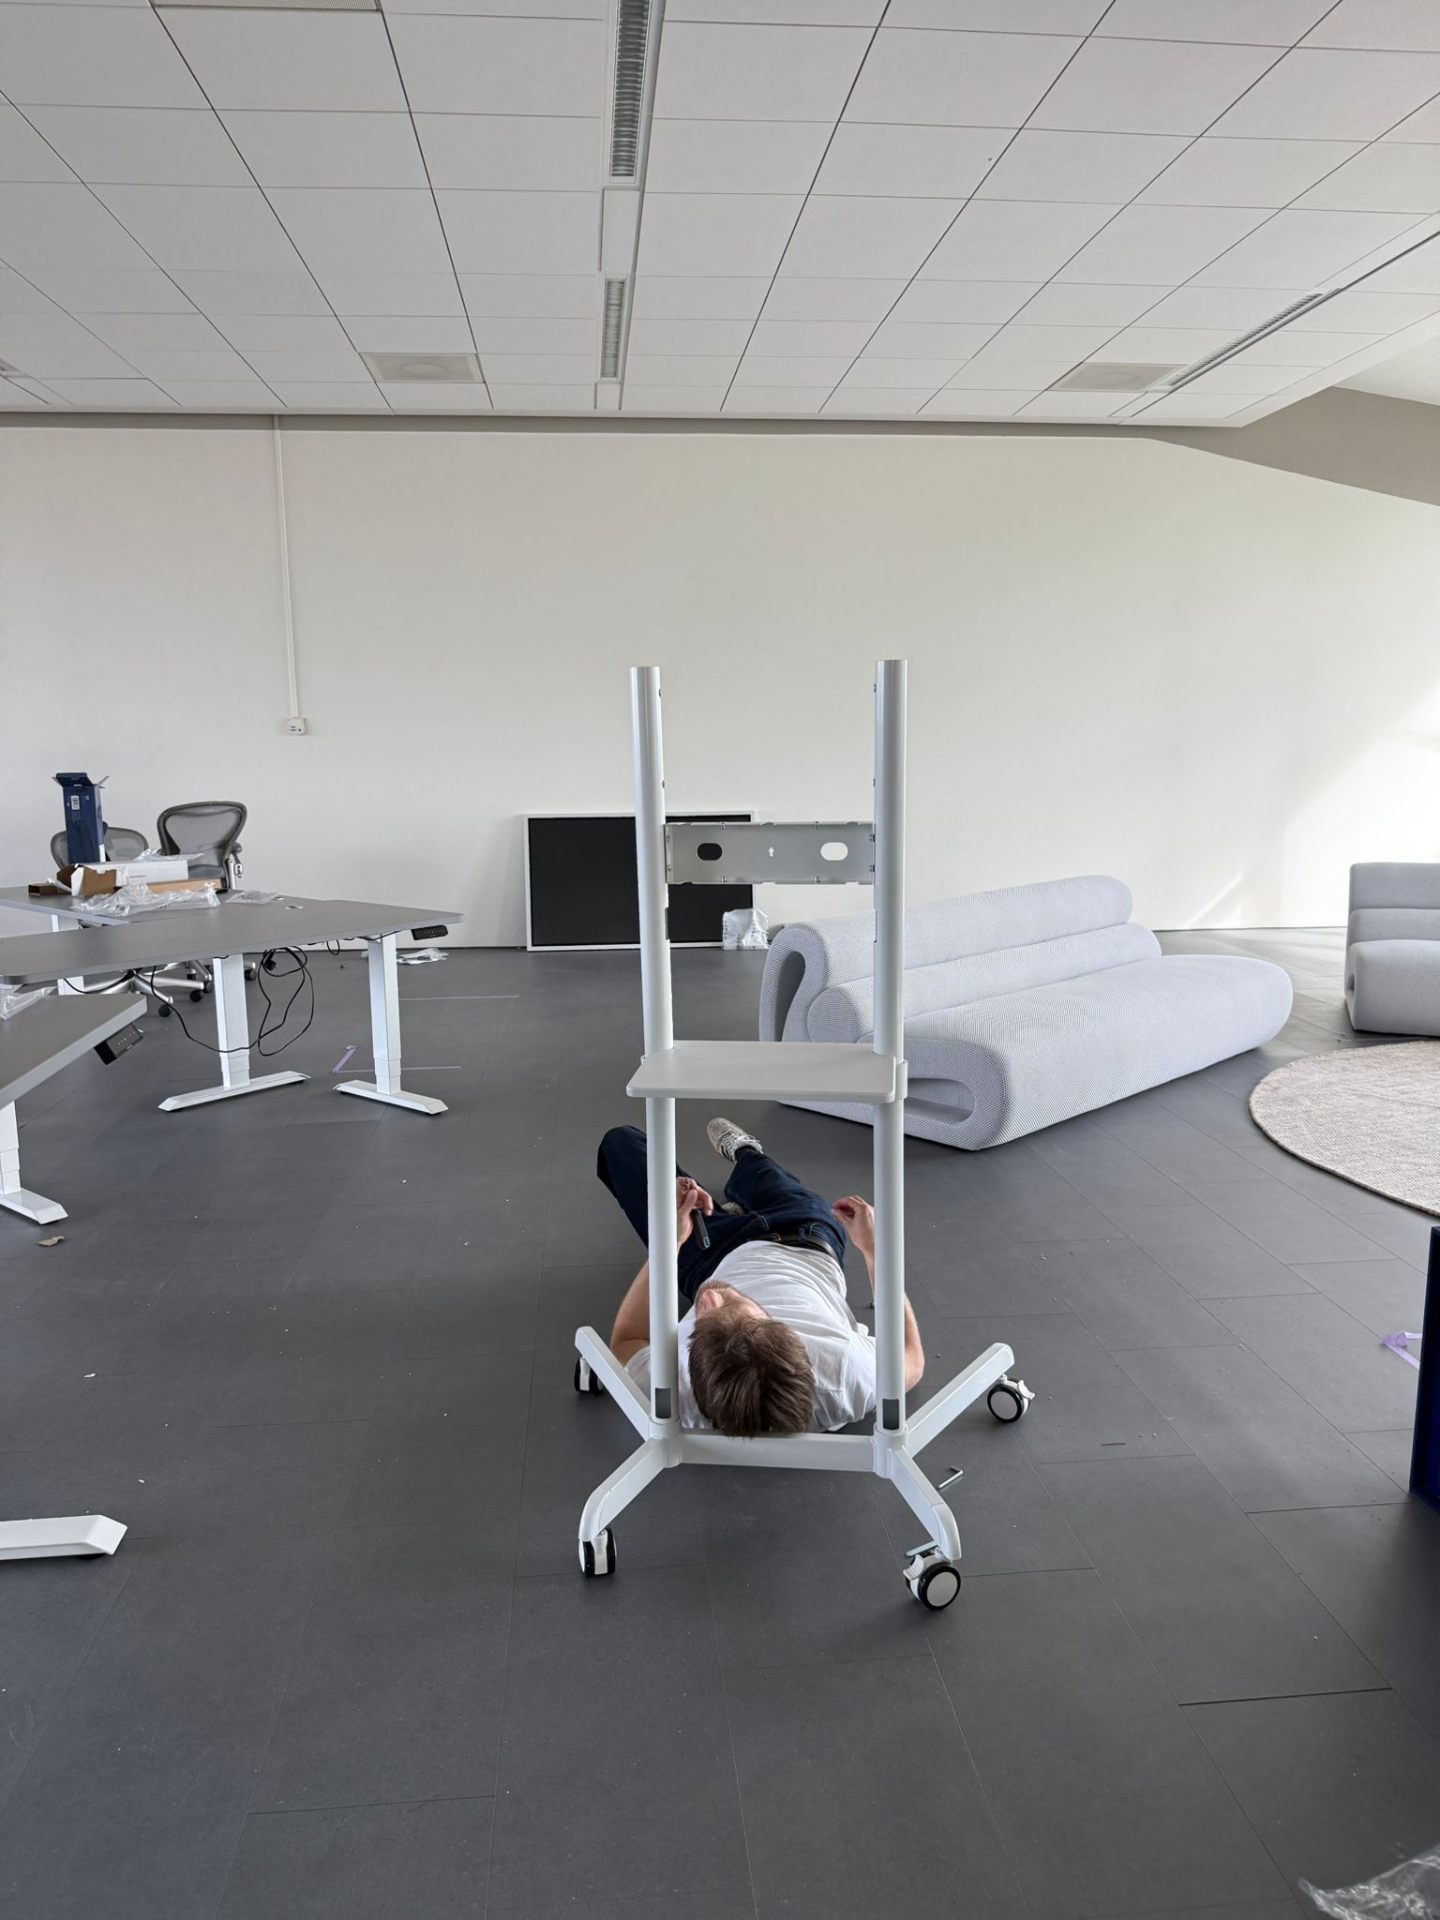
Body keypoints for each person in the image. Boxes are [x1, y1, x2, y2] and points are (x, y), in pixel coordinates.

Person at [595, 1116, 925, 1436]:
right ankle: (746, 1152)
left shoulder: (674, 1390)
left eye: (701, 1326)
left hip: (711, 1257)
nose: (710, 1298)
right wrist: (874, 1249)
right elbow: (912, 1358)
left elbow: (627, 1340)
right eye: (740, 1310)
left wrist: (670, 1241)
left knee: (620, 1143)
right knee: (768, 1178)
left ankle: (729, 1199)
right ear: (785, 1332)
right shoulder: (848, 1374)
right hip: (804, 1237)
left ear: (694, 1370)